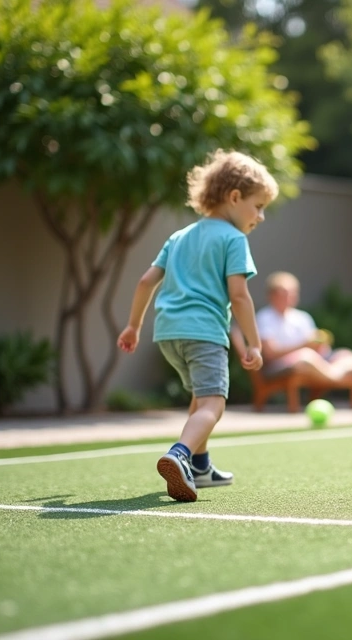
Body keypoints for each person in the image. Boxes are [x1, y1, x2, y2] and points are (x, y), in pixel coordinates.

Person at [117, 149, 274, 502]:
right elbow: (240, 296)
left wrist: (133, 326)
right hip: (204, 332)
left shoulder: (179, 236)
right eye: (258, 205)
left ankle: (201, 465)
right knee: (213, 404)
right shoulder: (234, 239)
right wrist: (254, 343)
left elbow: (145, 281)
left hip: (168, 333)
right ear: (234, 197)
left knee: (199, 398)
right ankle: (181, 454)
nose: (261, 216)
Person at [255, 271, 352, 385]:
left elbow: (318, 348)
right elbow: (270, 354)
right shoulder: (264, 317)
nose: (290, 296)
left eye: (293, 292)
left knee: (345, 354)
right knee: (306, 356)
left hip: (316, 362)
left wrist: (320, 345)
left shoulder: (303, 317)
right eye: (284, 292)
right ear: (271, 295)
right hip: (280, 366)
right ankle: (337, 377)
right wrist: (304, 345)